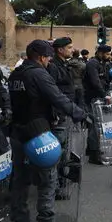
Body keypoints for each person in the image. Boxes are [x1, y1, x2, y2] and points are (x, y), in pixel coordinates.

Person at [7, 40, 87, 222]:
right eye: (48, 57)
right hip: (38, 134)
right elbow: (58, 98)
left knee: (20, 180)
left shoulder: (16, 74)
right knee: (47, 181)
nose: (50, 60)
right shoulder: (38, 73)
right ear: (41, 57)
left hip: (18, 132)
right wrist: (81, 114)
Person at [46, 37, 76, 200]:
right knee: (58, 151)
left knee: (65, 150)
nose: (72, 49)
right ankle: (56, 186)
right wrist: (57, 113)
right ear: (60, 50)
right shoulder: (53, 67)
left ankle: (62, 181)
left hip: (66, 112)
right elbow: (53, 92)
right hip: (59, 114)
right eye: (69, 47)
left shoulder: (64, 64)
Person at [83, 44, 112, 164]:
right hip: (92, 98)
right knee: (95, 126)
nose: (109, 56)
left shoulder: (102, 63)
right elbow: (95, 81)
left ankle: (91, 149)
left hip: (98, 98)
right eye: (107, 54)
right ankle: (94, 155)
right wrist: (103, 94)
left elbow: (104, 80)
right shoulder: (92, 64)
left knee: (96, 125)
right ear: (100, 53)